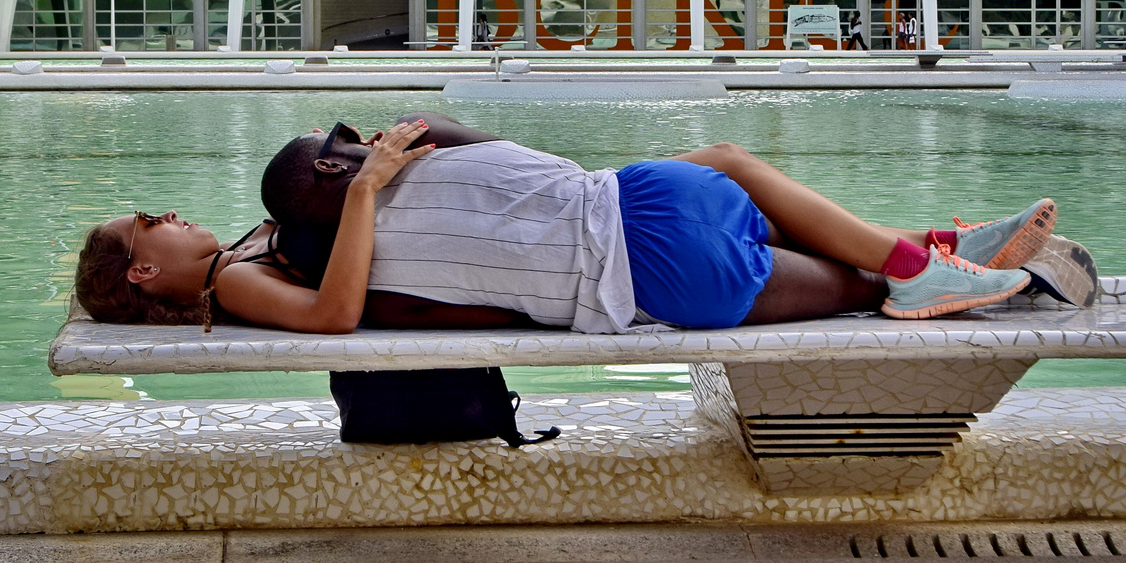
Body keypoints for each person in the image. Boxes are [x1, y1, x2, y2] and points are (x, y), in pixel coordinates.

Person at [72, 114, 1060, 336]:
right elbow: (335, 318)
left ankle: (933, 258)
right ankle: (934, 256)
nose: (165, 214)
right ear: (148, 275)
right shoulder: (233, 281)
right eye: (146, 226)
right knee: (753, 190)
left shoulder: (265, 240)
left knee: (825, 263)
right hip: (633, 247)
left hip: (631, 247)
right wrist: (365, 184)